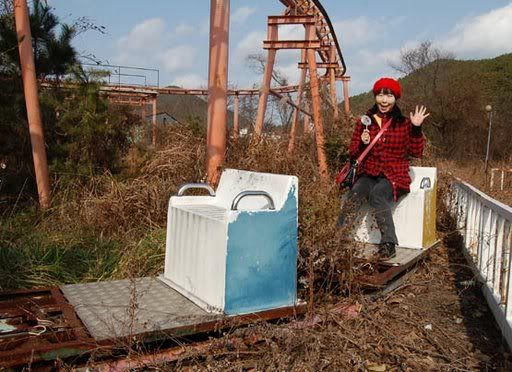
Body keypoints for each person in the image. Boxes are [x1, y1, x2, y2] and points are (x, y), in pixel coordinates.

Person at [337, 77, 429, 260]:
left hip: (394, 175)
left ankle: (388, 243)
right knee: (355, 193)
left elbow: (416, 152)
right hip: (368, 172)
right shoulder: (364, 122)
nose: (384, 100)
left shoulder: (403, 123)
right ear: (375, 96)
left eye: (389, 96)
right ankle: (336, 239)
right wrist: (363, 144)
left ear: (395, 99)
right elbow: (353, 152)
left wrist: (417, 129)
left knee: (378, 195)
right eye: (380, 95)